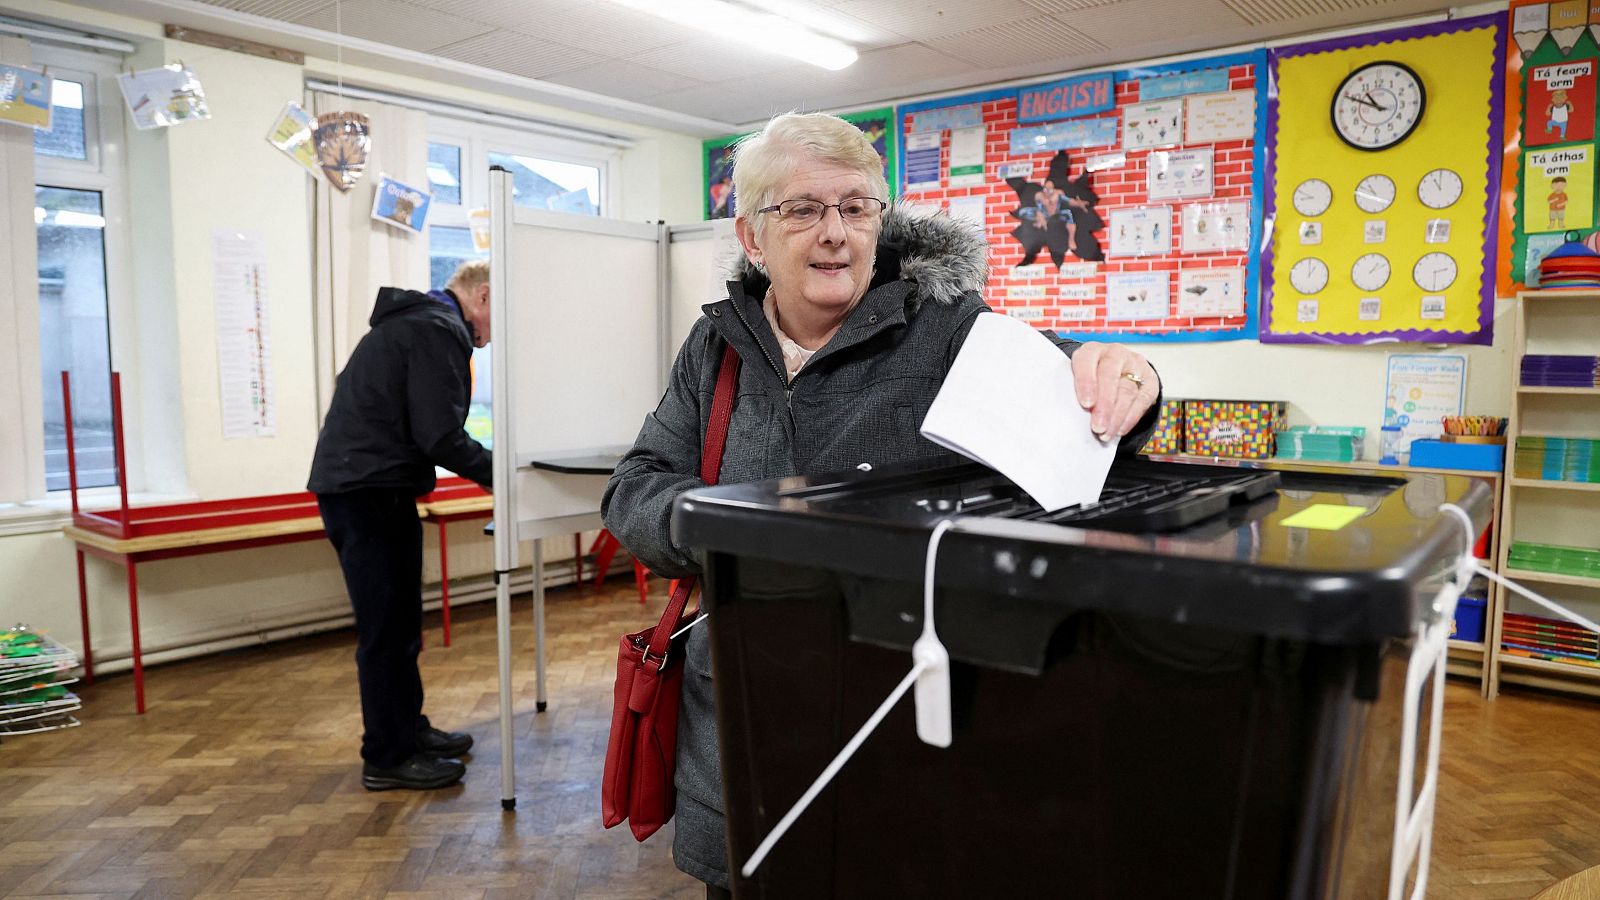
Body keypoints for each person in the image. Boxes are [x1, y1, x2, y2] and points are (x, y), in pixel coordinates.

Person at [601, 112, 1161, 896]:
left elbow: (1081, 397)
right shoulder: (715, 348)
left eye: (857, 207)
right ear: (753, 237)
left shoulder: (945, 329)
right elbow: (635, 485)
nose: (835, 233)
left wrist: (1131, 378)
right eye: (801, 209)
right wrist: (730, 527)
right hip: (737, 726)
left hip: (898, 722)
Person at [308, 260, 493, 791]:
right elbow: (440, 435)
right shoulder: (436, 329)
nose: (492, 335)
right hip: (368, 494)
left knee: (400, 626)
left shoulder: (417, 323)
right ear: (481, 295)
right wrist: (497, 472)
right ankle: (386, 756)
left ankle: (408, 730)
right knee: (386, 633)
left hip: (368, 489)